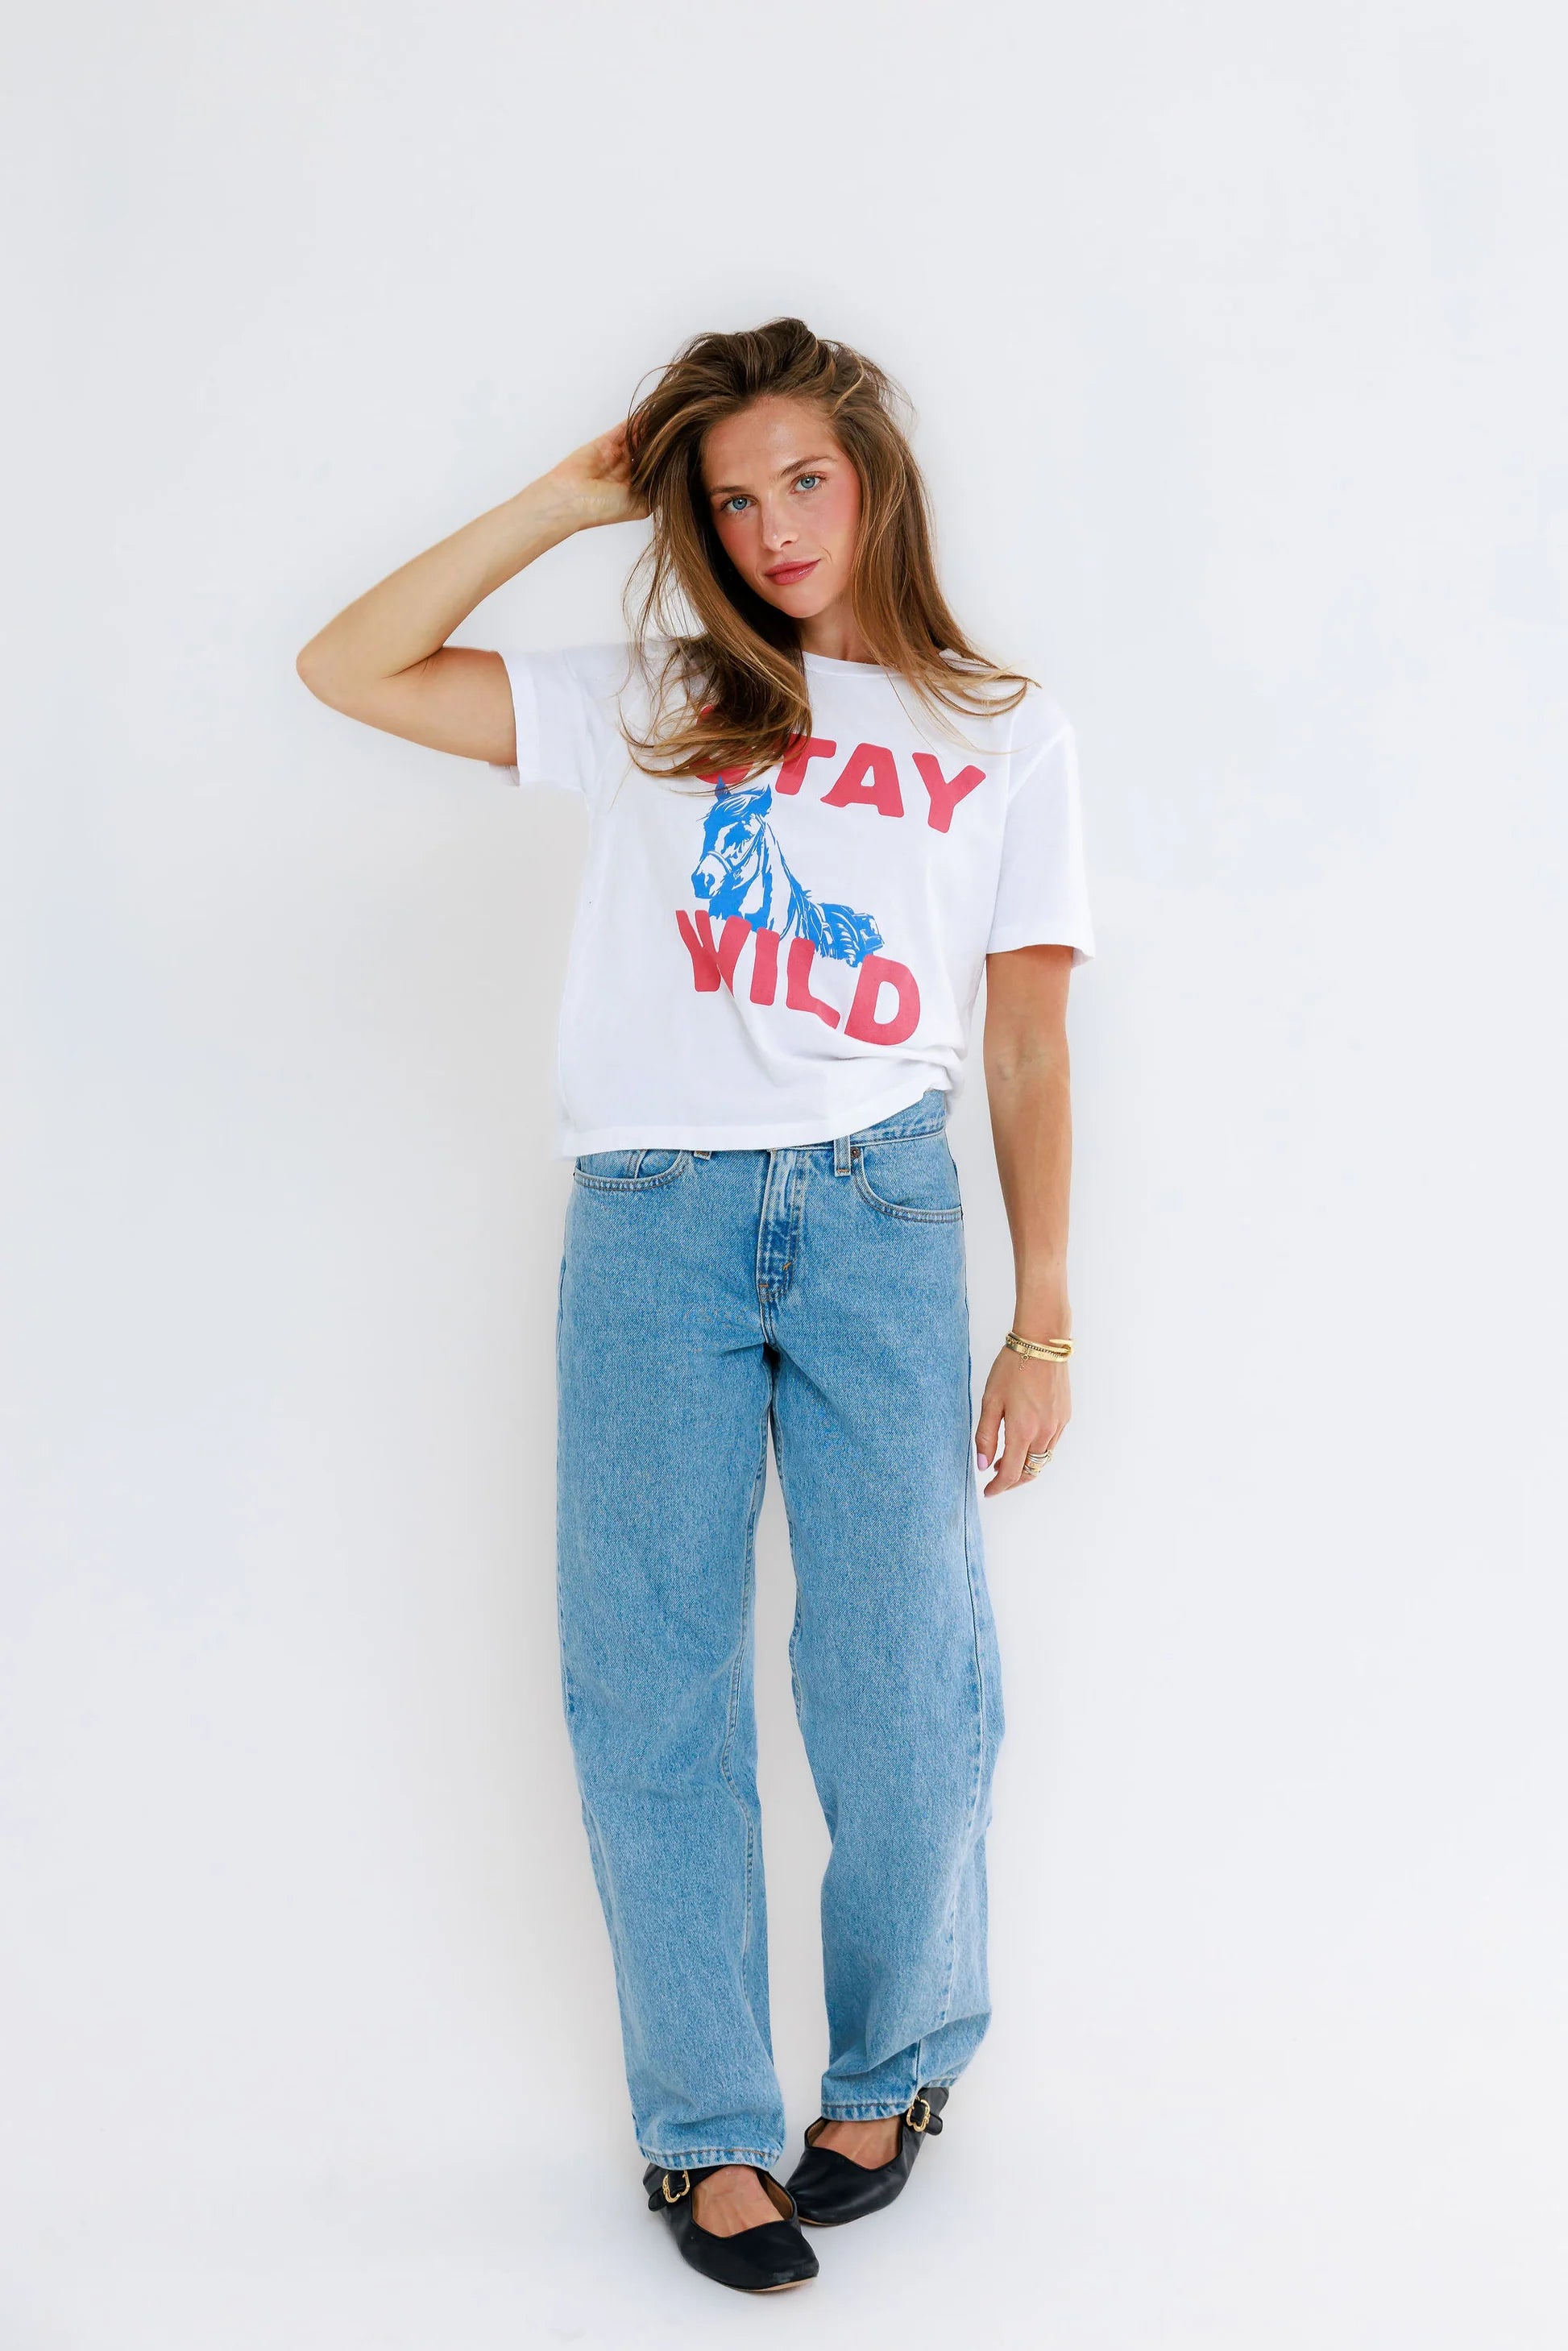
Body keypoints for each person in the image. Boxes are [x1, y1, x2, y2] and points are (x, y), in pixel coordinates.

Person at [296, 317, 1093, 2295]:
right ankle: (708, 2132)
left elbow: (1023, 1045)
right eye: (729, 501)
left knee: (904, 1683)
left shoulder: (1004, 732)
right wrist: (572, 498)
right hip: (652, 1216)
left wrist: (1044, 1313)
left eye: (802, 480)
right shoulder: (660, 698)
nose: (771, 529)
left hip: (881, 1213)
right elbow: (350, 666)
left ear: (874, 478)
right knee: (649, 1678)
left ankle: (890, 2071)